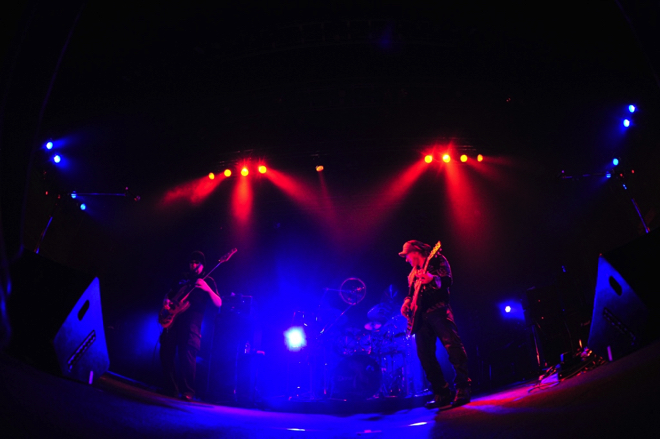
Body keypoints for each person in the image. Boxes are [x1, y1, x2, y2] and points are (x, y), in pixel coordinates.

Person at [399, 240, 471, 408]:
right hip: (420, 317)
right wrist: (406, 302)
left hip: (439, 309)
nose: (406, 259)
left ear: (416, 251)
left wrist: (432, 278)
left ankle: (463, 387)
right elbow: (410, 293)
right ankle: (441, 392)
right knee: (425, 355)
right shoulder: (412, 273)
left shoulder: (436, 260)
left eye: (407, 255)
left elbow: (448, 280)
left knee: (452, 347)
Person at [159, 250, 222, 401]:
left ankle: (188, 391)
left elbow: (219, 303)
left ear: (202, 265)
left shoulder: (208, 280)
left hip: (192, 323)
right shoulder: (182, 278)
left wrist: (207, 289)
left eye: (196, 263)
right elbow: (168, 294)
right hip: (173, 319)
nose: (193, 265)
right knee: (165, 351)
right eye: (191, 262)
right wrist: (166, 302)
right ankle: (170, 388)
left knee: (187, 356)